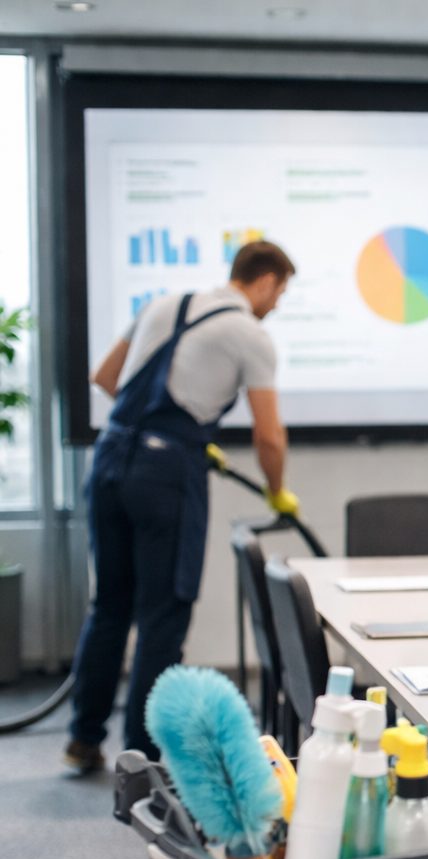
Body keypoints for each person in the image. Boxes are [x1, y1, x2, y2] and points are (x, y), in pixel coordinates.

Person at [65, 241, 301, 771]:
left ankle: (83, 739)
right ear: (263, 281)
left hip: (110, 460)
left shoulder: (162, 303)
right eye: (281, 291)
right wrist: (276, 488)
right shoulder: (250, 335)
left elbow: (105, 378)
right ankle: (142, 761)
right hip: (166, 476)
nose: (278, 304)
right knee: (163, 616)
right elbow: (270, 438)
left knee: (110, 606)